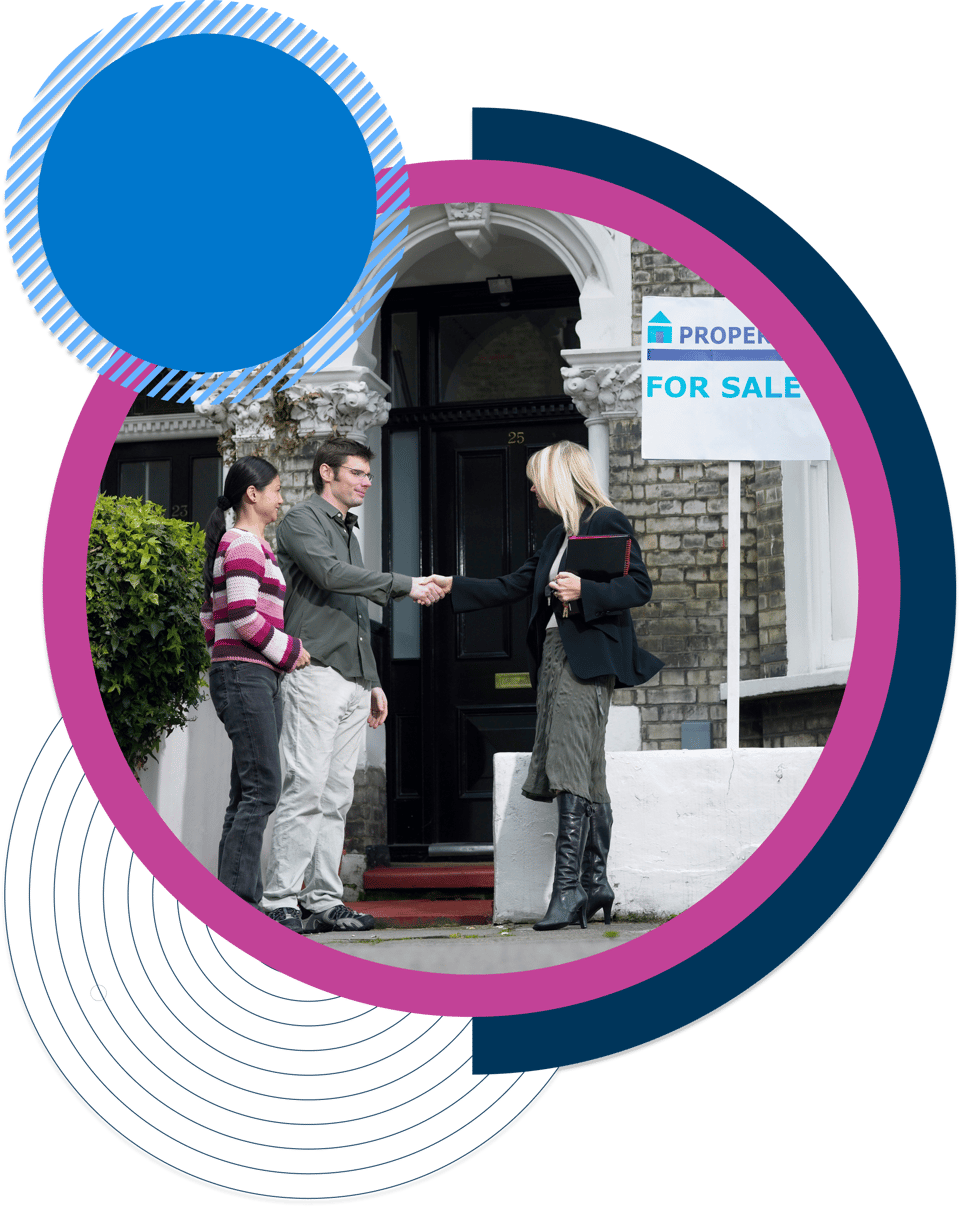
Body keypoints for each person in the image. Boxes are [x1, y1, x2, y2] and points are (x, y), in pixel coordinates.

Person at [431, 441, 663, 931]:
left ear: (559, 477)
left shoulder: (606, 521)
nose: (532, 489)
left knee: (568, 765)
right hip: (556, 659)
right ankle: (595, 882)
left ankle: (569, 889)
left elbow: (639, 586)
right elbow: (513, 585)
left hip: (589, 660)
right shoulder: (558, 536)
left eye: (536, 478)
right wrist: (452, 584)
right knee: (585, 770)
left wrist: (587, 590)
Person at [260, 437, 444, 934]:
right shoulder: (301, 521)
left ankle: (323, 900)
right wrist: (406, 584)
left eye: (367, 474)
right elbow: (331, 576)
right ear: (327, 473)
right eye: (357, 473)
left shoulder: (349, 530)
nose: (366, 482)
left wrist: (374, 680)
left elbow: (355, 612)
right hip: (312, 673)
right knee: (306, 788)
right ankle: (280, 900)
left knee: (338, 794)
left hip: (351, 679)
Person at [200, 457, 310, 913]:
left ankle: (231, 904)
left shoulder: (245, 545)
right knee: (264, 787)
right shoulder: (243, 545)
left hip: (250, 674)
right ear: (253, 494)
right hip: (248, 674)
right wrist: (289, 650)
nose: (281, 498)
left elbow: (212, 618)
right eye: (277, 490)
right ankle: (242, 906)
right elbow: (244, 616)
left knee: (248, 791)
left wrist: (231, 654)